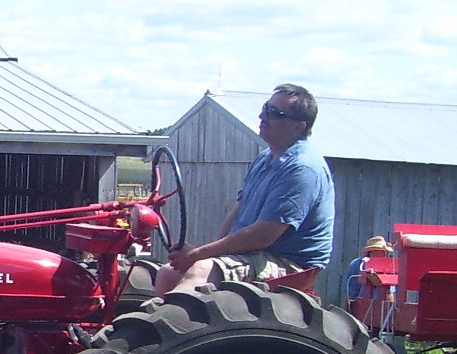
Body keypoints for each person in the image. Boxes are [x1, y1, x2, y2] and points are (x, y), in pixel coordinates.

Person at [155, 84, 335, 295]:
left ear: (298, 127)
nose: (262, 116)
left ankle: (170, 324)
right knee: (169, 273)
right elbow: (238, 213)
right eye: (265, 108)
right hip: (255, 254)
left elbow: (262, 236)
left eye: (274, 113)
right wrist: (208, 253)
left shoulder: (302, 168)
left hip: (287, 262)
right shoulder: (265, 158)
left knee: (200, 271)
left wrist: (197, 256)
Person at [343, 235, 393, 307]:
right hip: (361, 305)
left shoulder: (388, 265)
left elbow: (390, 292)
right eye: (380, 251)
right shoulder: (357, 265)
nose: (384, 254)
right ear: (372, 251)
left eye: (384, 251)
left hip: (383, 307)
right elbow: (351, 294)